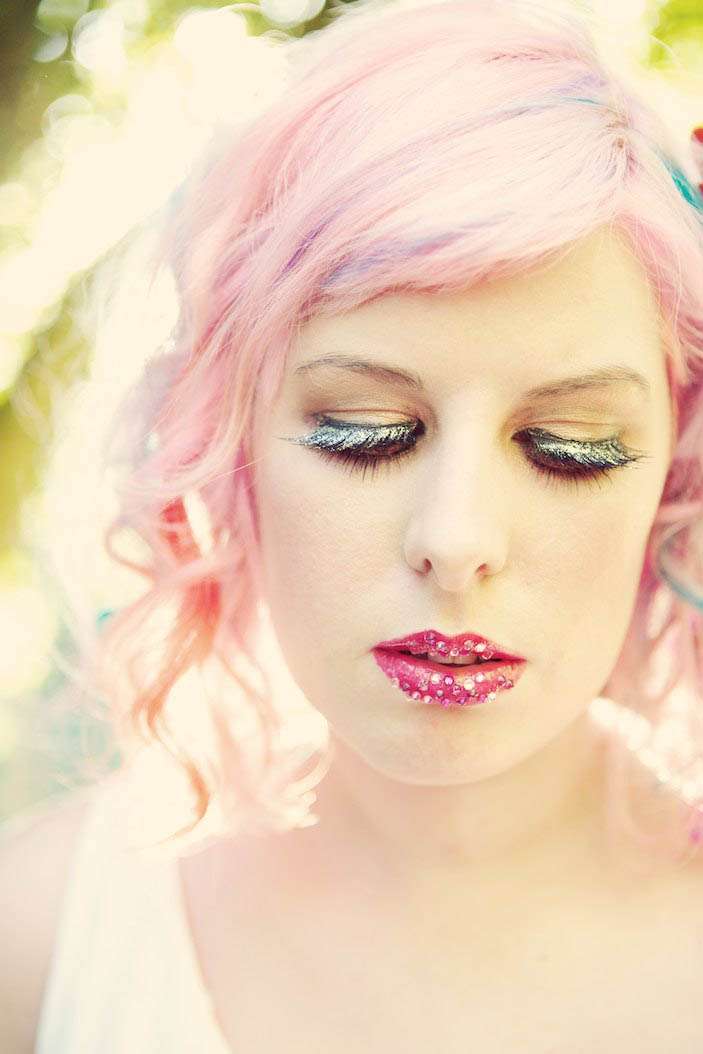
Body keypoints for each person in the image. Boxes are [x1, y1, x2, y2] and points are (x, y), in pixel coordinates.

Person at [2, 0, 703, 1050]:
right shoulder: (39, 937)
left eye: (569, 447)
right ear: (230, 445)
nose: (455, 540)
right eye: (363, 434)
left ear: (673, 472)